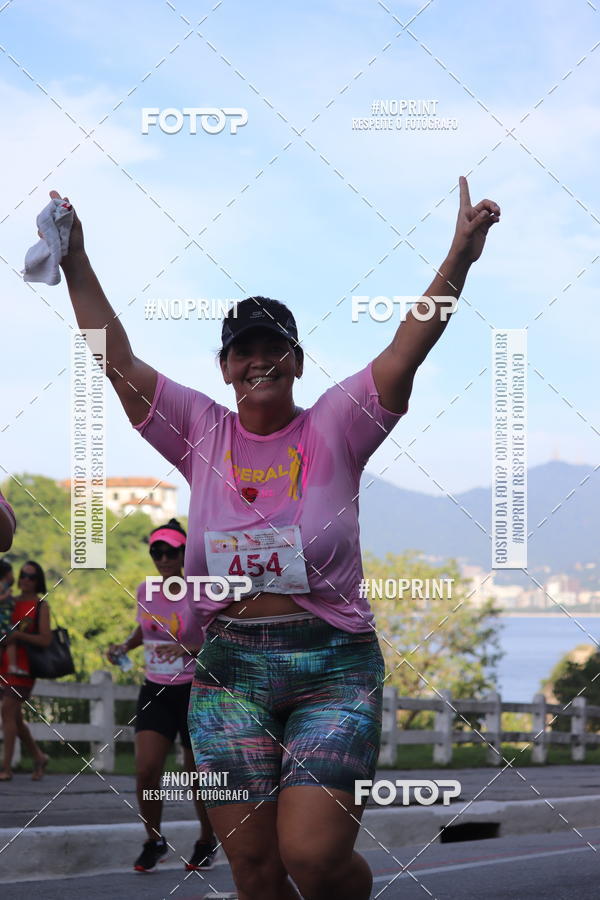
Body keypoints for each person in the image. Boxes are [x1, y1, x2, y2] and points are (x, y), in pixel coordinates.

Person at [52, 176, 499, 899]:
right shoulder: (200, 430)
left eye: (272, 348)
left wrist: (461, 255)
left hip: (333, 669)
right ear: (224, 368)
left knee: (313, 860)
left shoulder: (336, 423)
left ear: (295, 360)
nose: (257, 360)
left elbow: (409, 342)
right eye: (241, 350)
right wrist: (75, 261)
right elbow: (117, 360)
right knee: (256, 873)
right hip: (228, 670)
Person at [107, 519, 217, 872]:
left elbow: (220, 638)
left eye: (172, 551)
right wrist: (124, 646)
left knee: (195, 772)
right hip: (155, 688)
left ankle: (206, 840)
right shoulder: (145, 590)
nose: (164, 558)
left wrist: (188, 648)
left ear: (185, 553)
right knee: (146, 770)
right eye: (157, 551)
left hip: (194, 689)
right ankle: (154, 840)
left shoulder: (200, 591)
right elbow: (144, 629)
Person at [0, 561, 52, 781]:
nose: (26, 580)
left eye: (31, 577)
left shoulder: (41, 606)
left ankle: (6, 768)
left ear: (38, 580)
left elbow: (45, 640)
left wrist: (18, 636)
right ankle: (39, 756)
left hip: (24, 669)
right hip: (3, 664)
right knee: (15, 718)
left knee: (6, 712)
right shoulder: (8, 601)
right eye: (23, 575)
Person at [0, 560, 20, 677]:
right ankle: (12, 666)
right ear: (7, 574)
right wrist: (6, 596)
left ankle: (12, 666)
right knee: (10, 640)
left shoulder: (5, 586)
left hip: (6, 621)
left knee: (8, 642)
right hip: (2, 621)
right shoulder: (1, 585)